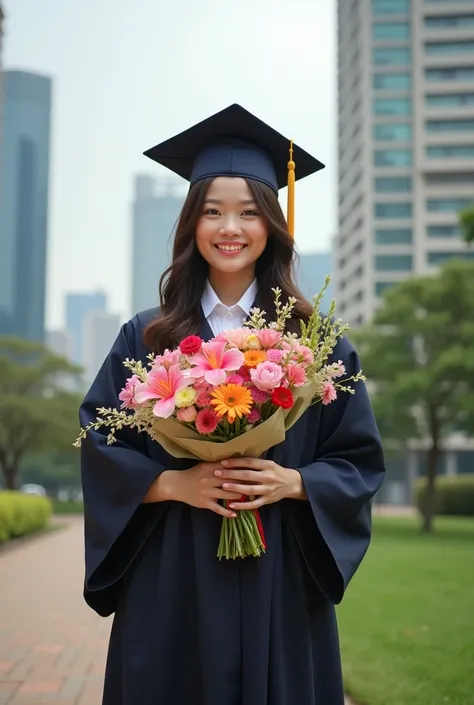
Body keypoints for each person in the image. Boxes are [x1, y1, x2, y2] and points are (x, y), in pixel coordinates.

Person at [79, 103, 385, 705]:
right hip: (174, 571)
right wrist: (175, 485)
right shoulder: (147, 337)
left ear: (272, 223)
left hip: (280, 570)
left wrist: (292, 482)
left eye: (249, 212)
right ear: (191, 224)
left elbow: (359, 458)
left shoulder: (313, 341)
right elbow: (99, 439)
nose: (231, 228)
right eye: (213, 211)